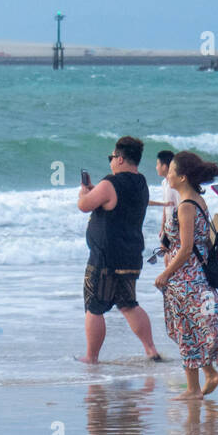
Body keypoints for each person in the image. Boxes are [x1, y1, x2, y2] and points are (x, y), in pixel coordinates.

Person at [153, 150, 218, 399]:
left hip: (185, 277)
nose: (168, 174)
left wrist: (165, 273)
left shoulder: (186, 206)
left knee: (186, 328)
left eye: (172, 170)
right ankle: (205, 377)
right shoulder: (198, 200)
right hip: (194, 274)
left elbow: (186, 248)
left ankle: (195, 387)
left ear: (183, 177)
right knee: (189, 328)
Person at [77, 136, 161, 364]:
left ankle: (91, 356)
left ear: (121, 158)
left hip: (105, 257)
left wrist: (84, 191)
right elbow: (113, 200)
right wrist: (98, 191)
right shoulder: (141, 183)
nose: (111, 161)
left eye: (112, 157)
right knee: (128, 304)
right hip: (131, 255)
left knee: (94, 307)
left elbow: (84, 206)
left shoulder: (109, 183)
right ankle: (151, 349)